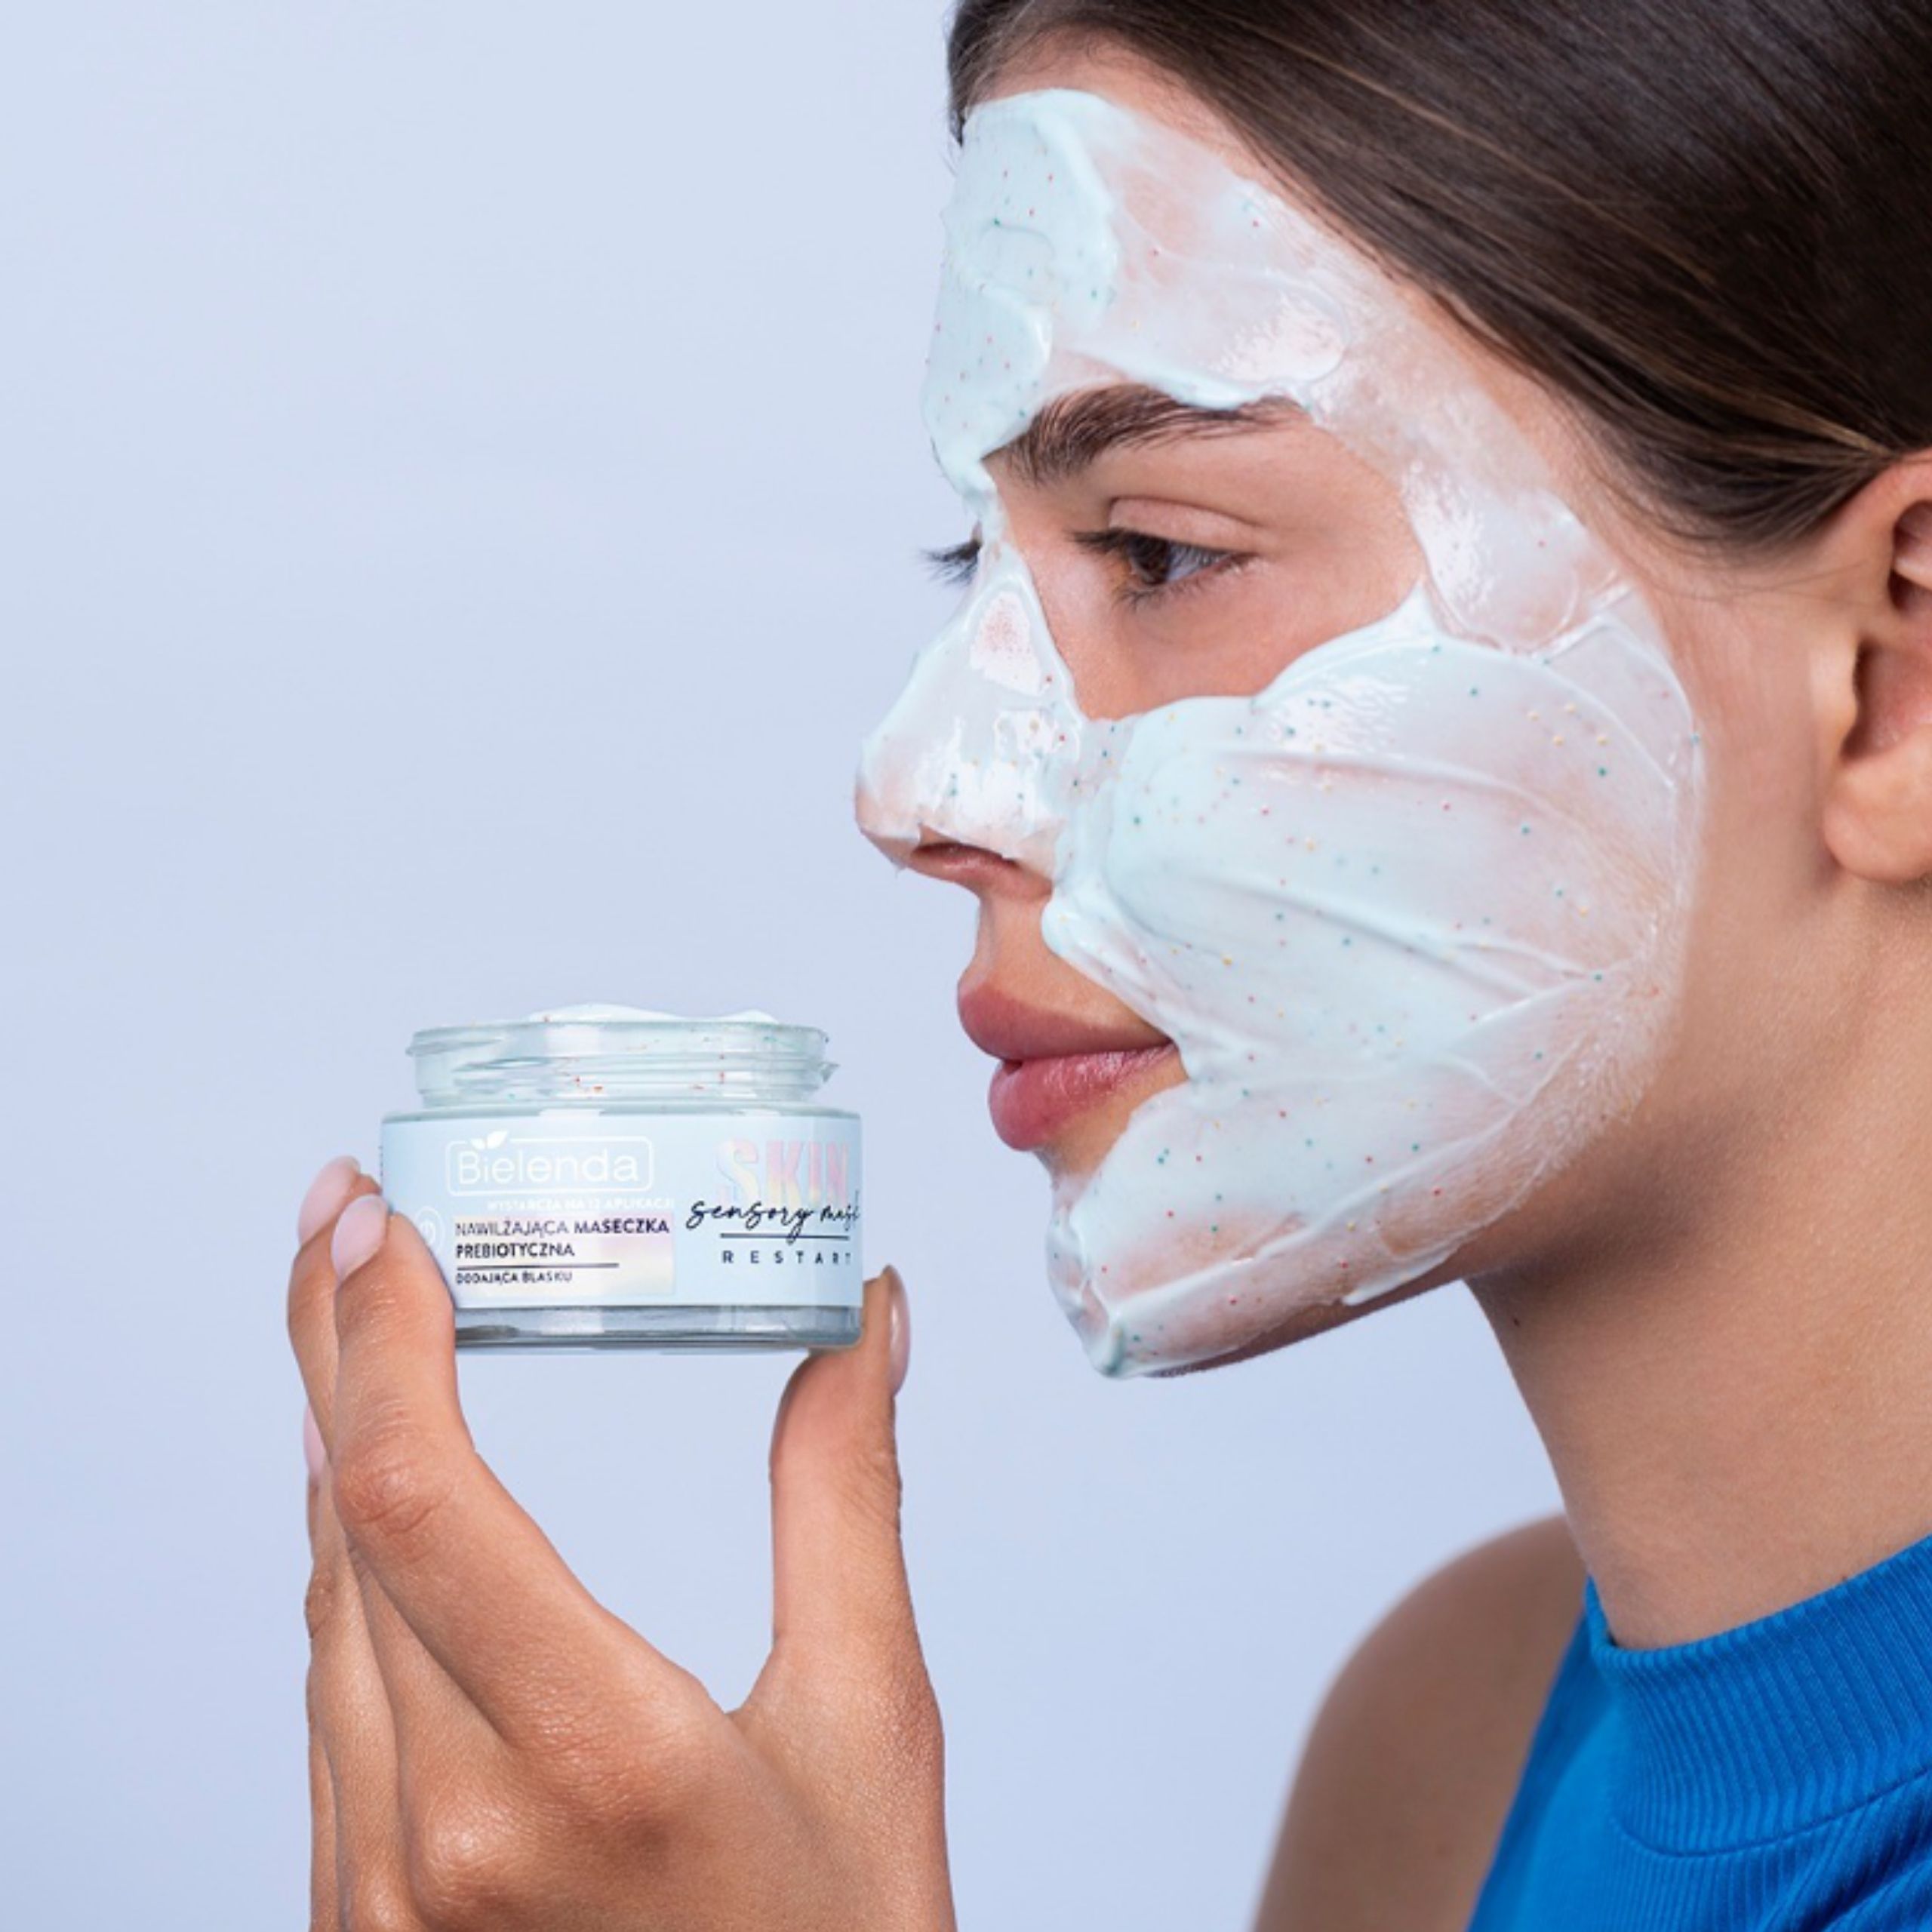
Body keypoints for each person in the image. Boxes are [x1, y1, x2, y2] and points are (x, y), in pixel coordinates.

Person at [288, 2, 1932, 1926]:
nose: (913, 788)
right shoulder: (1447, 1753)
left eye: (1154, 551)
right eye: (974, 563)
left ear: (1887, 685)